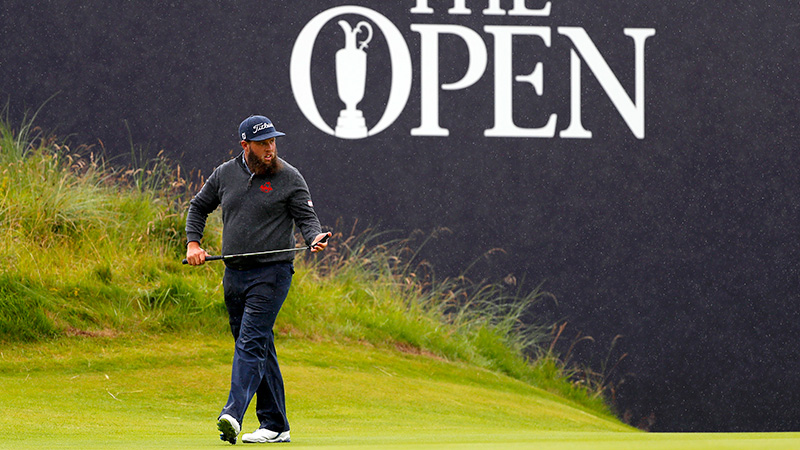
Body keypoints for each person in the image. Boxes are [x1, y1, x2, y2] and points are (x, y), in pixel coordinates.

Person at [185, 115, 330, 444]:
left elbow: (308, 220)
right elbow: (198, 207)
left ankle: (232, 414)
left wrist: (315, 237)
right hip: (234, 274)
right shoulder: (225, 174)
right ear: (245, 145)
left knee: (250, 342)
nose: (270, 148)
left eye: (273, 141)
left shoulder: (289, 177)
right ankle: (276, 425)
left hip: (272, 274)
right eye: (263, 143)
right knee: (256, 344)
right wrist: (193, 244)